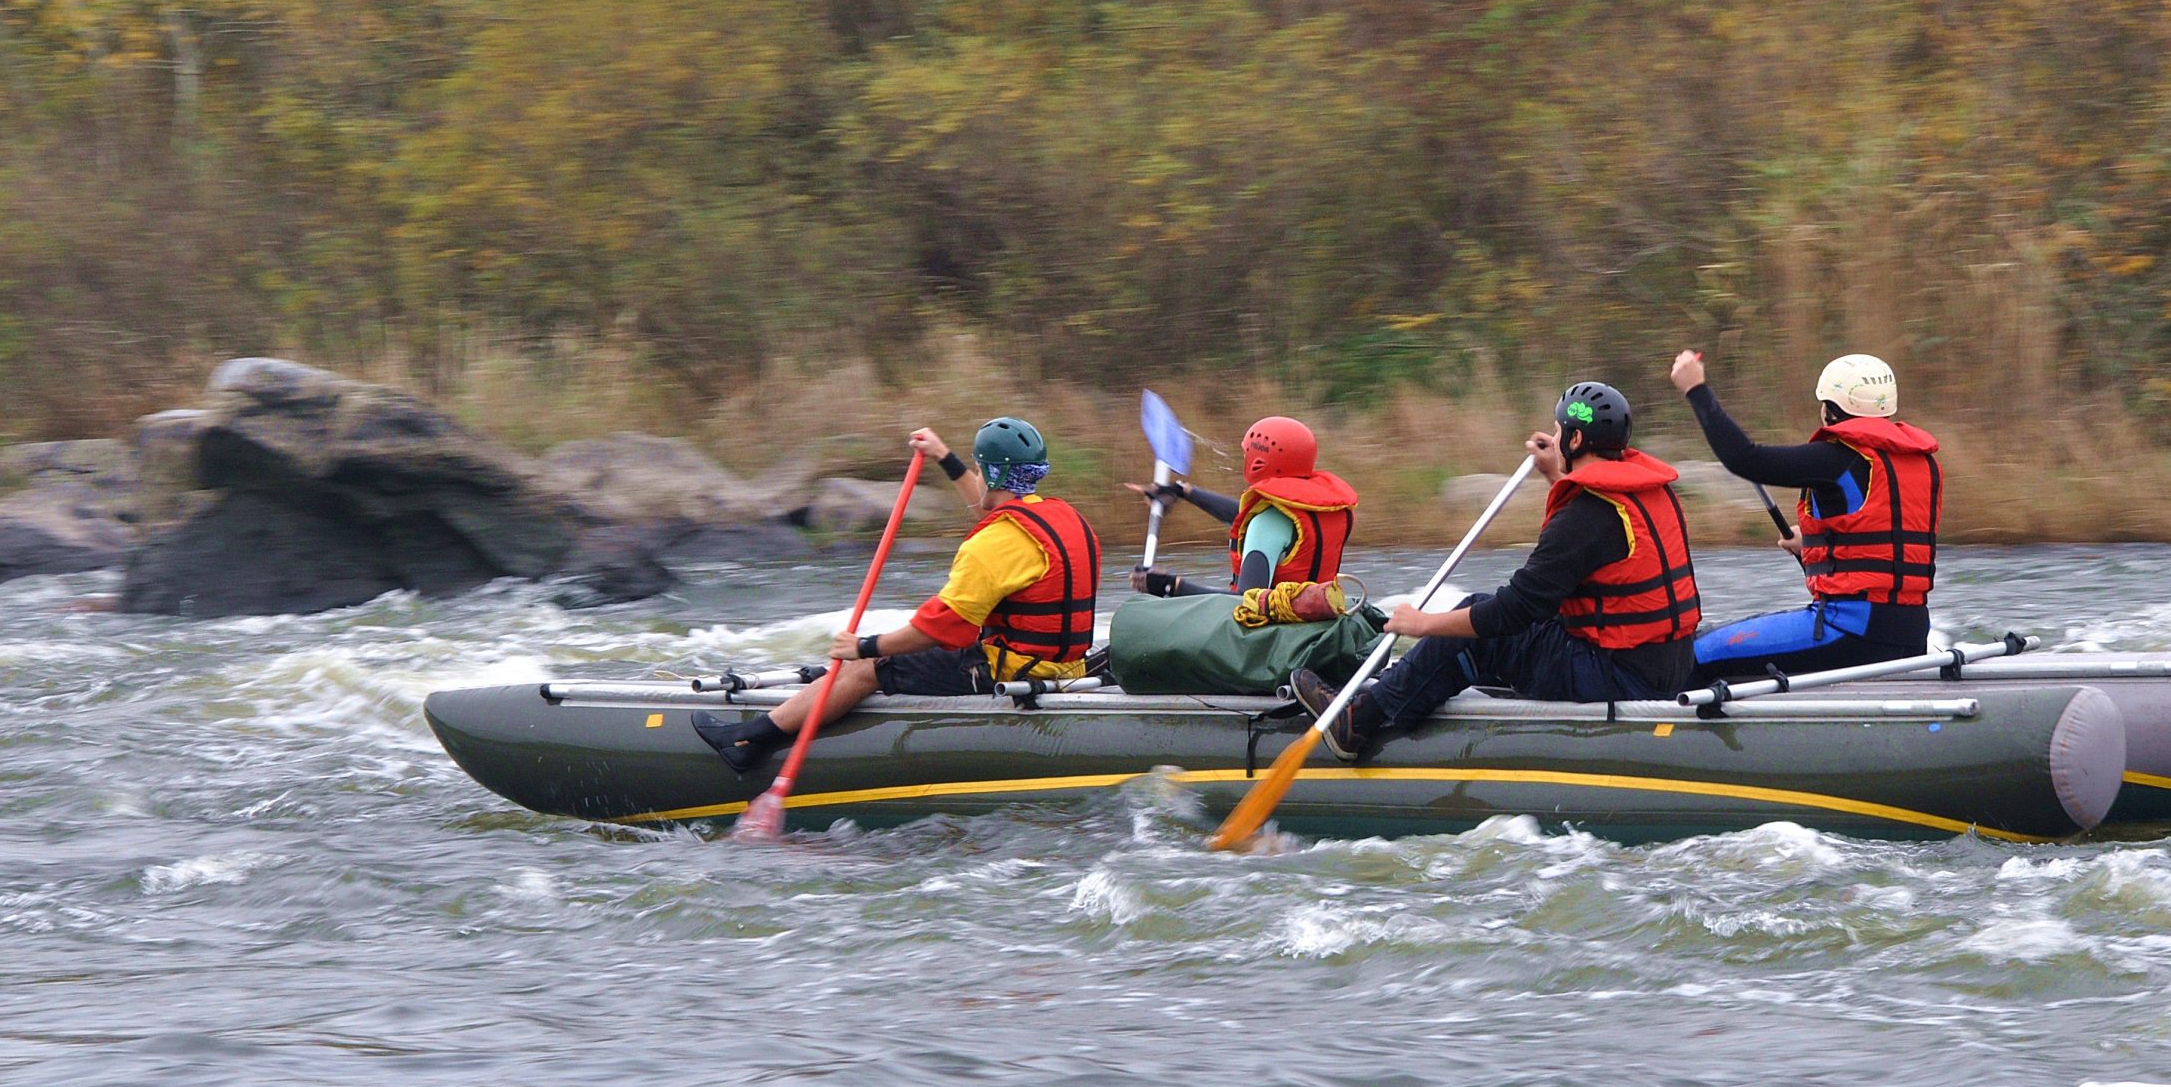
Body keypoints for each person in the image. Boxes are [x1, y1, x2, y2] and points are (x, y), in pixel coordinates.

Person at [1287, 382, 1701, 759]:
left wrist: (1423, 624)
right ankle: (1408, 688)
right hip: (1666, 666)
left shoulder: (1584, 518)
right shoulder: (1650, 493)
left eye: (1559, 431)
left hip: (1614, 676)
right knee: (1503, 624)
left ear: (1575, 439)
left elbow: (1515, 610)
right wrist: (1554, 473)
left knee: (1478, 625)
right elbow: (1594, 549)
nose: (1555, 437)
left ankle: (1357, 721)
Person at [692, 417, 1101, 775]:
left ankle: (747, 740)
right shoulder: (1066, 519)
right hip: (1063, 666)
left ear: (992, 476)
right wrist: (944, 456)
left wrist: (865, 647)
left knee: (869, 665)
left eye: (978, 468)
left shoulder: (993, 544)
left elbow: (940, 630)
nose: (975, 475)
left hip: (1008, 672)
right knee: (872, 658)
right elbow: (992, 512)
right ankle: (815, 695)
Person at [1670, 348, 1940, 684]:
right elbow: (1885, 541)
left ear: (1830, 409)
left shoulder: (1836, 459)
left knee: (1692, 652)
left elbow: (1745, 459)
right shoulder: (1921, 462)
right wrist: (1813, 544)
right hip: (1911, 634)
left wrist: (1696, 389)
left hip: (1850, 633)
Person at [1125, 415, 1358, 596]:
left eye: (1247, 453)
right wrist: (1183, 491)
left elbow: (1247, 602)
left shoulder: (1266, 523)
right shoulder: (1325, 511)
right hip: (1321, 621)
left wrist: (1171, 586)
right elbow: (1255, 520)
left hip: (1274, 632)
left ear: (1259, 461)